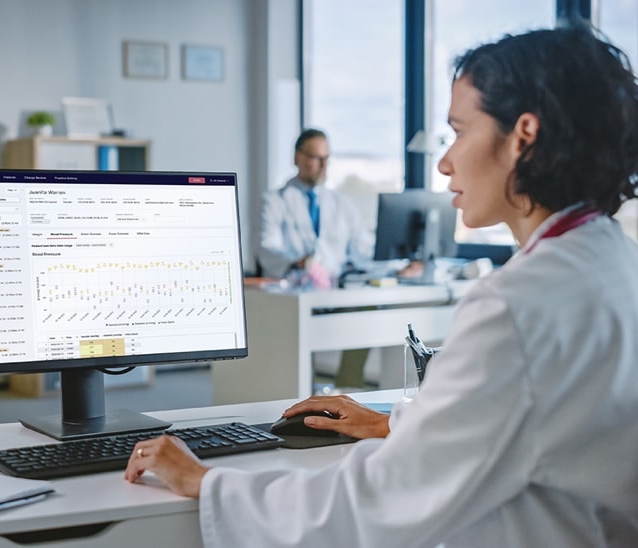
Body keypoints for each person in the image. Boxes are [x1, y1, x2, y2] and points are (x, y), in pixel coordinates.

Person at [125, 24, 638, 547]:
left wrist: (208, 483)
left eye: (459, 132)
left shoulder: (516, 306)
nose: (443, 161)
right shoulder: (614, 260)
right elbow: (531, 422)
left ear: (522, 137)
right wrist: (396, 422)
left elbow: (376, 503)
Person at [256, 128, 373, 284]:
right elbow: (266, 250)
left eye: (326, 158)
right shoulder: (274, 201)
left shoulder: (342, 204)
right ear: (297, 158)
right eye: (316, 158)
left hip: (336, 290)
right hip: (292, 292)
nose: (324, 165)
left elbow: (363, 250)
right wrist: (297, 263)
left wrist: (397, 264)